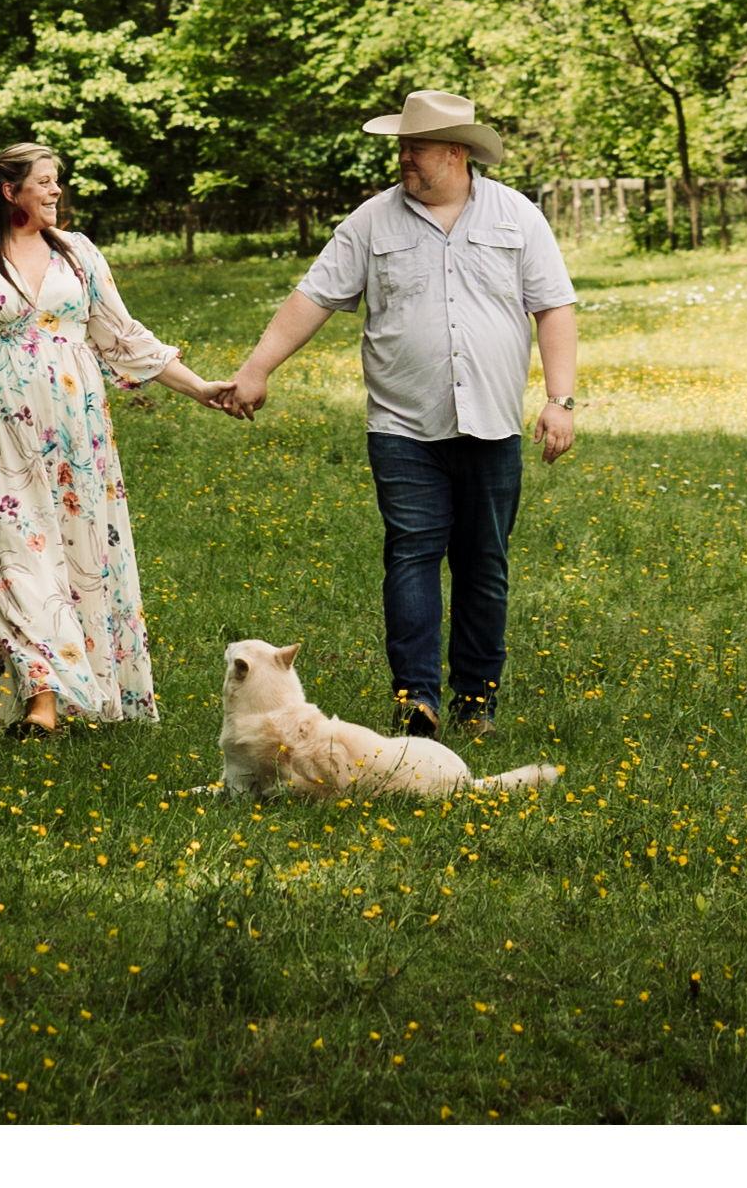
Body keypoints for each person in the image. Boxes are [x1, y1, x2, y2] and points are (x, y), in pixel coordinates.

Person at [224, 88, 578, 742]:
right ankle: (418, 698)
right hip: (404, 426)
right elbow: (312, 298)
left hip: (493, 425)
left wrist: (559, 401)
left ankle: (478, 700)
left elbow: (553, 307)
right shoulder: (371, 223)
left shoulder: (517, 218)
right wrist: (257, 368)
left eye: (416, 147)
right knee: (412, 555)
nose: (404, 158)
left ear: (456, 152)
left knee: (484, 564)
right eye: (402, 146)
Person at [0, 141, 243, 735]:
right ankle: (43, 702)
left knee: (78, 556)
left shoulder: (78, 254)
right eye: (44, 182)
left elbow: (122, 337)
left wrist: (201, 389)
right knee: (16, 559)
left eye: (57, 180)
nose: (56, 191)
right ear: (10, 192)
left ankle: (57, 701)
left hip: (76, 436)